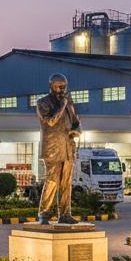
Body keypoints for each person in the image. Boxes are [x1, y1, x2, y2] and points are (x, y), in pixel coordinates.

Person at [35, 73, 81, 224]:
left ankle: (65, 214)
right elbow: (50, 121)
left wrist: (77, 130)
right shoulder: (42, 103)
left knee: (66, 183)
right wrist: (62, 105)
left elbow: (75, 120)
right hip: (52, 148)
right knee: (52, 181)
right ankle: (43, 213)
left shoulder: (68, 101)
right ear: (52, 87)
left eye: (65, 87)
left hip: (68, 147)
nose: (64, 90)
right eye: (61, 87)